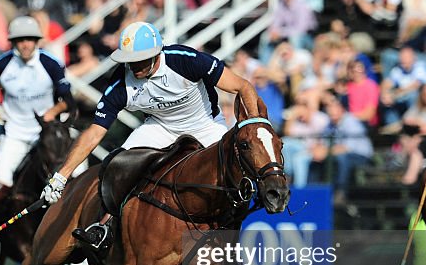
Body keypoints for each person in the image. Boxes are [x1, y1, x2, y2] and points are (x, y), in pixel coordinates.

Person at [41, 21, 262, 252]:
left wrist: (253, 128)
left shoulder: (185, 60)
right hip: (160, 127)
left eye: (140, 59)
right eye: (130, 60)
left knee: (234, 171)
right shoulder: (121, 82)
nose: (134, 66)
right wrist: (61, 176)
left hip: (205, 124)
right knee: (118, 166)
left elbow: (242, 86)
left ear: (157, 54)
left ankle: (229, 234)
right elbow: (95, 132)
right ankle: (104, 225)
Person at [0, 15, 71, 260]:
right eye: (20, 40)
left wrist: (48, 116)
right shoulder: (1, 65)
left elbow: (67, 101)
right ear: (13, 42)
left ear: (38, 41)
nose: (26, 44)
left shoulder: (51, 64)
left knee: (78, 180)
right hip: (16, 135)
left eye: (30, 39)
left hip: (48, 136)